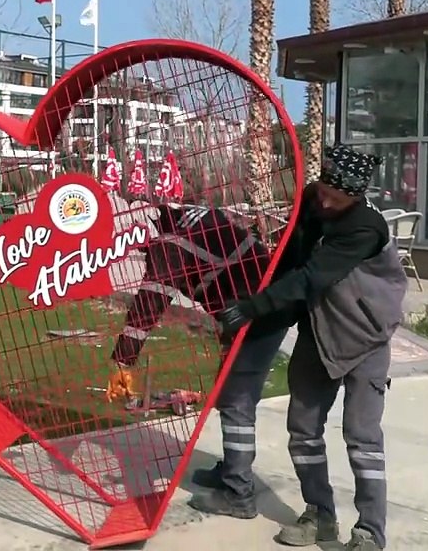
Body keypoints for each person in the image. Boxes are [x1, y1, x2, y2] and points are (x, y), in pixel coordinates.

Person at [215, 146, 408, 551]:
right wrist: (260, 314)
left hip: (365, 338)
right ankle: (319, 515)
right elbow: (291, 260)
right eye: (323, 191)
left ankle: (370, 531)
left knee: (362, 437)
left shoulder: (366, 227)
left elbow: (312, 277)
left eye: (335, 198)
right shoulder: (312, 199)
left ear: (356, 195)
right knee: (303, 431)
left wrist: (252, 307)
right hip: (318, 333)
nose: (325, 202)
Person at [104, 201, 291, 519]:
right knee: (229, 397)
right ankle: (232, 469)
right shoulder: (189, 218)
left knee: (235, 402)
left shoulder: (171, 244)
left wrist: (123, 361)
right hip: (253, 308)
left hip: (256, 316)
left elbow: (151, 301)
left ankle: (239, 493)